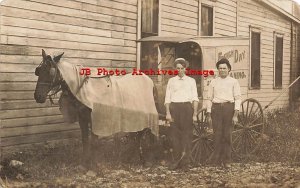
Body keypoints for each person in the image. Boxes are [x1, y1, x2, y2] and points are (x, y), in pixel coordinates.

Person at [206, 58, 241, 168]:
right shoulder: (213, 82)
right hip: (216, 109)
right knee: (217, 135)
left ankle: (227, 160)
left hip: (228, 109)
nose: (222, 70)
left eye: (224, 68)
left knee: (227, 135)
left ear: (229, 69)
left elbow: (238, 98)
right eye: (220, 68)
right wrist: (208, 113)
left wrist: (235, 115)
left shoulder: (234, 82)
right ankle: (216, 160)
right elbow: (209, 98)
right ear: (218, 70)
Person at [165, 58, 199, 169]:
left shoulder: (191, 81)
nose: (180, 70)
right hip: (174, 109)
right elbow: (167, 99)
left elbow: (195, 98)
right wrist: (168, 113)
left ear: (185, 68)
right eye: (178, 68)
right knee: (175, 136)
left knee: (187, 136)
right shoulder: (171, 81)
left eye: (182, 68)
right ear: (175, 69)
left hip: (187, 108)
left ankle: (185, 162)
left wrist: (194, 114)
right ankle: (176, 161)